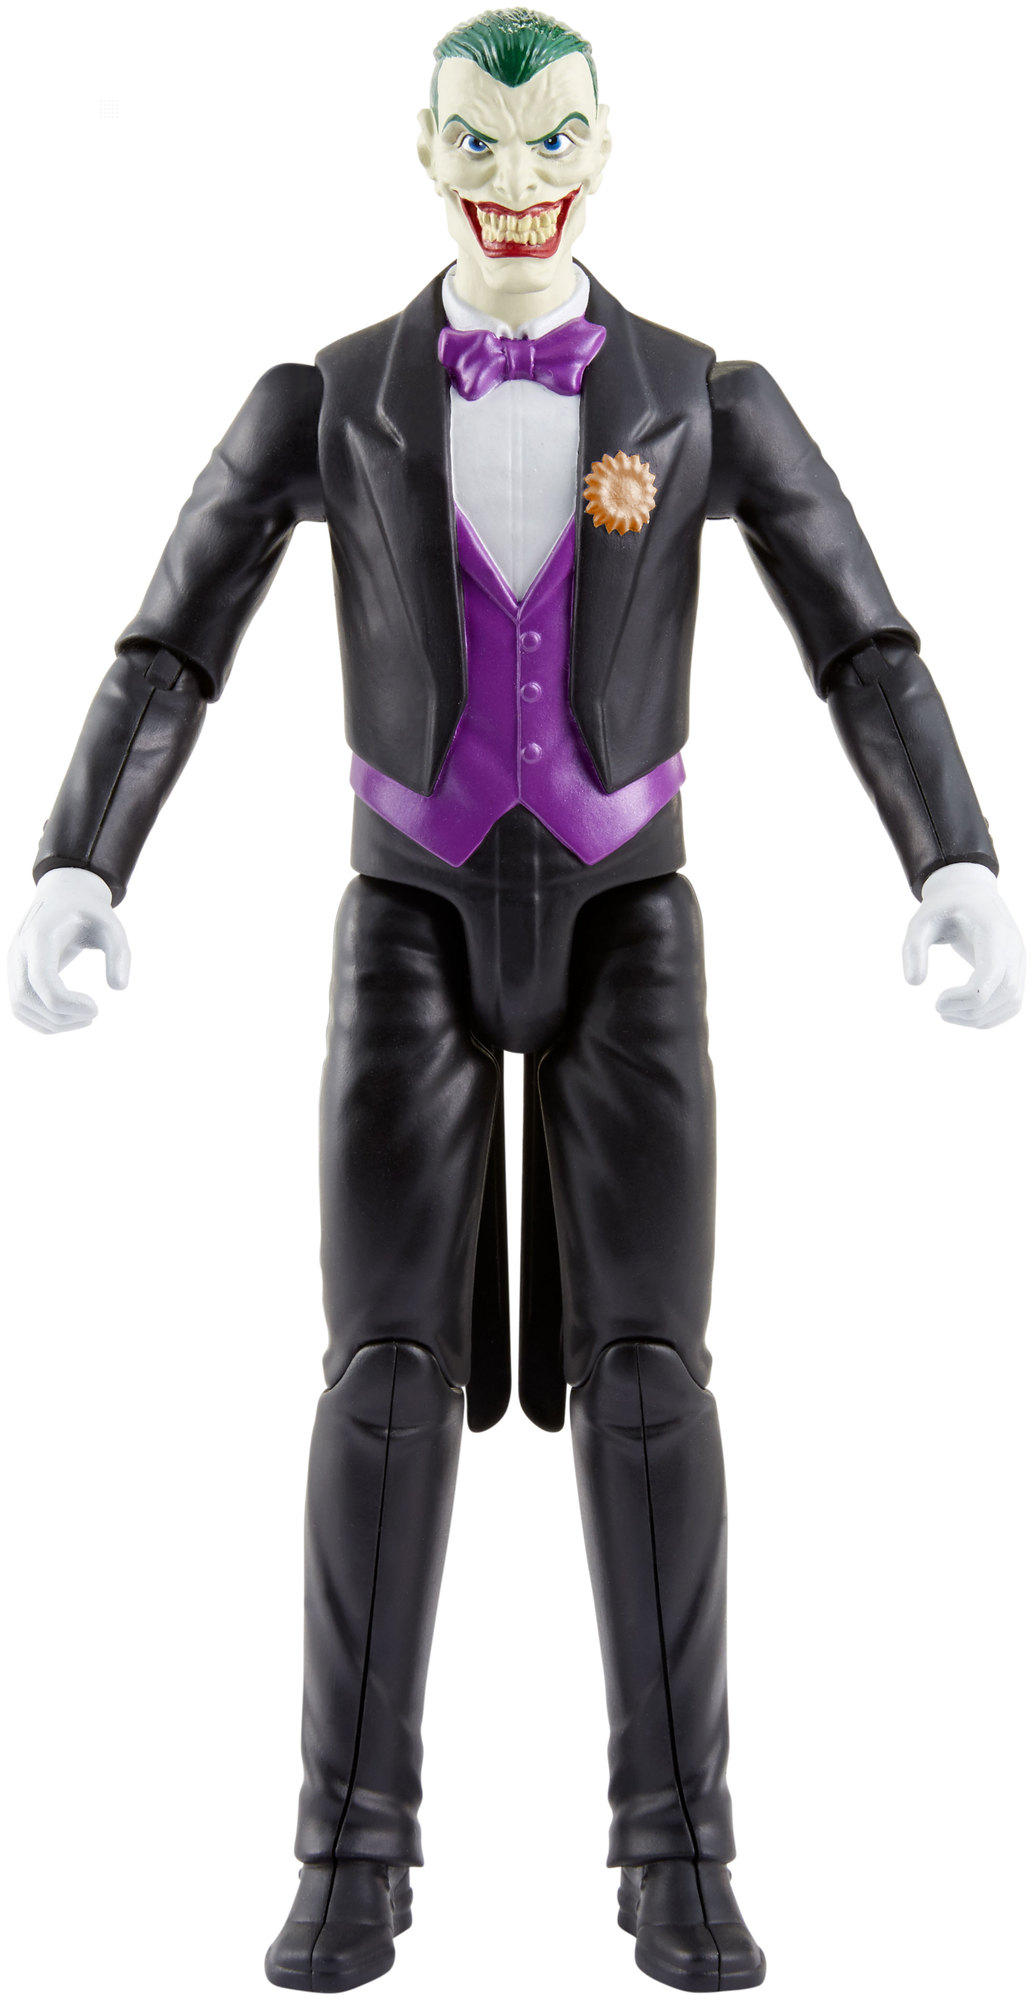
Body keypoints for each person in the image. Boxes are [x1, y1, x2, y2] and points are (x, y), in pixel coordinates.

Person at [9, 10, 1024, 1992]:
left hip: (634, 910)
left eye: (550, 135)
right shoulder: (332, 395)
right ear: (424, 149)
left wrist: (954, 853)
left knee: (649, 1376)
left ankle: (678, 1851)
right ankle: (349, 1852)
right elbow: (171, 639)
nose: (515, 173)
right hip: (404, 907)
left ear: (603, 145)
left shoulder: (700, 393)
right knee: (382, 1374)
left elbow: (862, 636)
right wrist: (78, 854)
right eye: (477, 137)